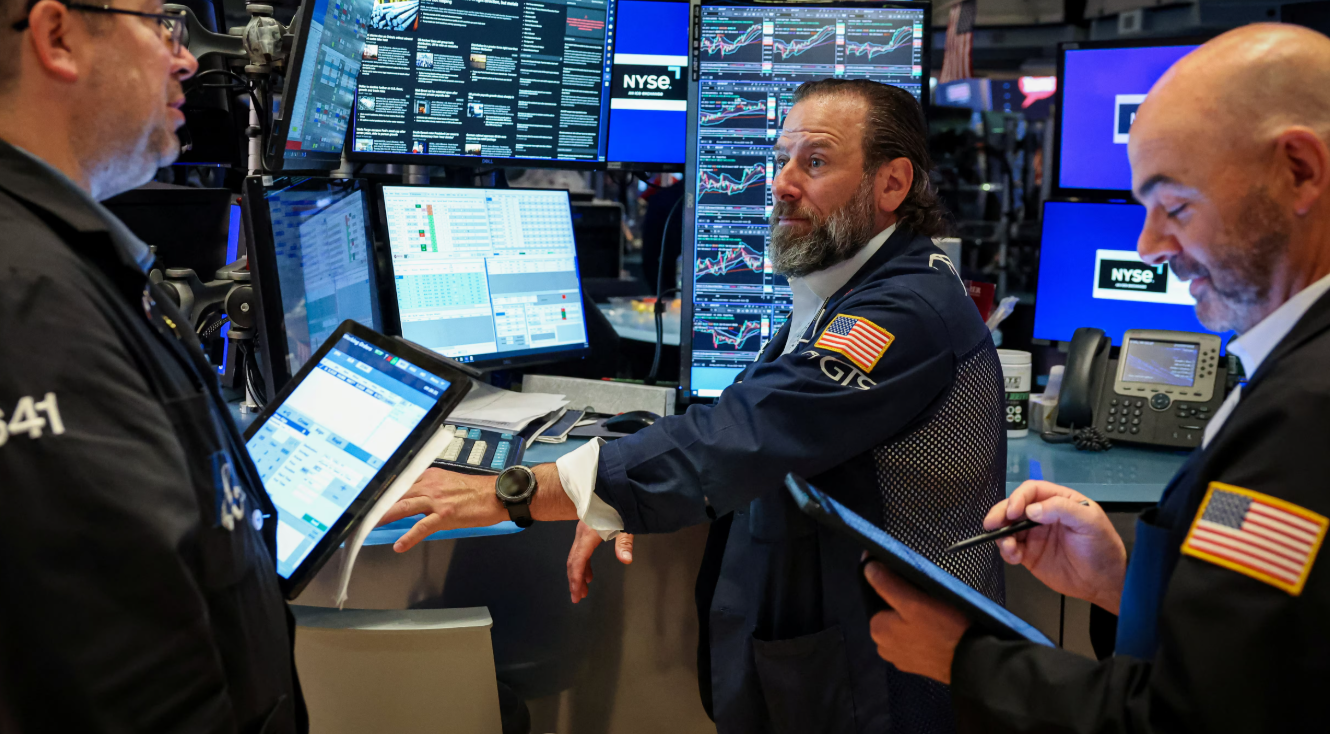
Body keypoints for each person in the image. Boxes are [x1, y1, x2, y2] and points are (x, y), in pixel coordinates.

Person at [382, 78, 1008, 733]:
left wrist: (522, 491)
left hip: (880, 676)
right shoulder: (850, 283)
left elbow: (750, 430)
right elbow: (757, 416)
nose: (782, 183)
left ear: (892, 184)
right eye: (782, 159)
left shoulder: (903, 310)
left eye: (814, 162)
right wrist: (610, 492)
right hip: (833, 643)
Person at [862, 22, 1330, 732]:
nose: (1149, 247)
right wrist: (1123, 586)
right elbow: (1278, 651)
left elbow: (1195, 716)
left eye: (1174, 205)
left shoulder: (1308, 410)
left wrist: (965, 659)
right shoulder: (1293, 370)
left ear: (1300, 170)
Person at [0, 0, 303, 732]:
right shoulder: (28, 302)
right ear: (57, 36)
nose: (185, 60)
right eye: (157, 19)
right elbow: (126, 682)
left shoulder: (65, 255)